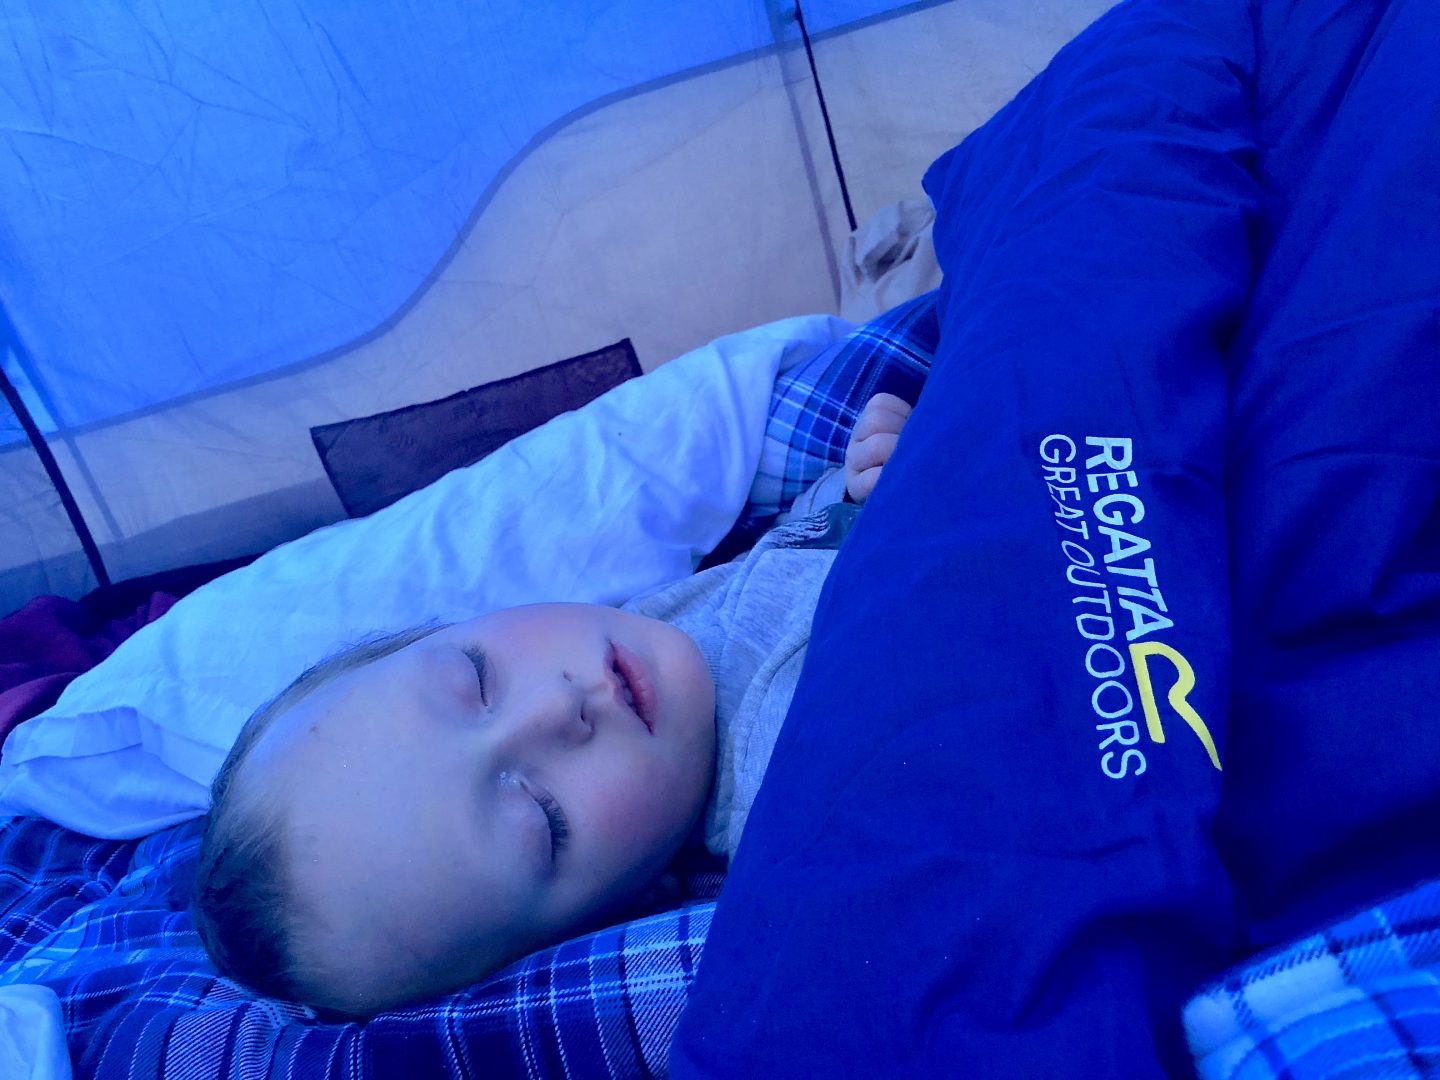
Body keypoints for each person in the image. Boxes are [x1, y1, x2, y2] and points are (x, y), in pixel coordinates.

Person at [192, 392, 915, 1016]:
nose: (553, 709)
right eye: (541, 815)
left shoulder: (652, 630)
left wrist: (857, 481)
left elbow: (793, 553)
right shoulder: (795, 773)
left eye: (475, 678)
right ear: (627, 911)